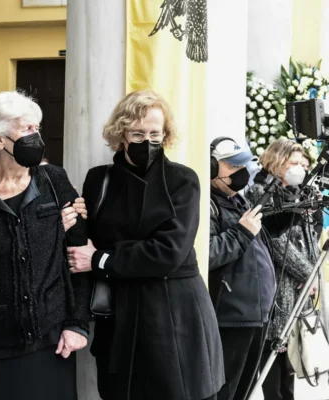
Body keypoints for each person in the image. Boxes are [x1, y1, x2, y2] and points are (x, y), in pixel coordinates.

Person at [67, 90, 224, 400]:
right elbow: (85, 242)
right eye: (138, 134)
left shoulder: (183, 180)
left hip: (172, 313)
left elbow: (169, 252)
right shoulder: (99, 180)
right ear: (121, 134)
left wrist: (101, 259)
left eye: (155, 134)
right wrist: (71, 219)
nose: (147, 142)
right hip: (119, 314)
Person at [0, 91, 91, 400]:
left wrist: (77, 324)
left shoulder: (54, 180)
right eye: (26, 129)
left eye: (37, 128)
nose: (36, 137)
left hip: (51, 340)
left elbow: (78, 257)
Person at [245, 138, 317, 400]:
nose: (299, 169)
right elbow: (276, 241)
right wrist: (308, 273)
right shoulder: (260, 192)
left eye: (303, 165)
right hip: (276, 285)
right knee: (273, 358)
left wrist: (312, 274)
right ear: (277, 161)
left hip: (297, 287)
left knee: (290, 362)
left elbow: (308, 238)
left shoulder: (298, 193)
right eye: (293, 163)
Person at [209, 137, 276, 400]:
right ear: (212, 167)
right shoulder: (208, 204)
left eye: (242, 166)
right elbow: (208, 254)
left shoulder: (238, 200)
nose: (241, 173)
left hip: (256, 314)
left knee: (245, 390)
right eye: (233, 167)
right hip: (230, 316)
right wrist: (242, 232)